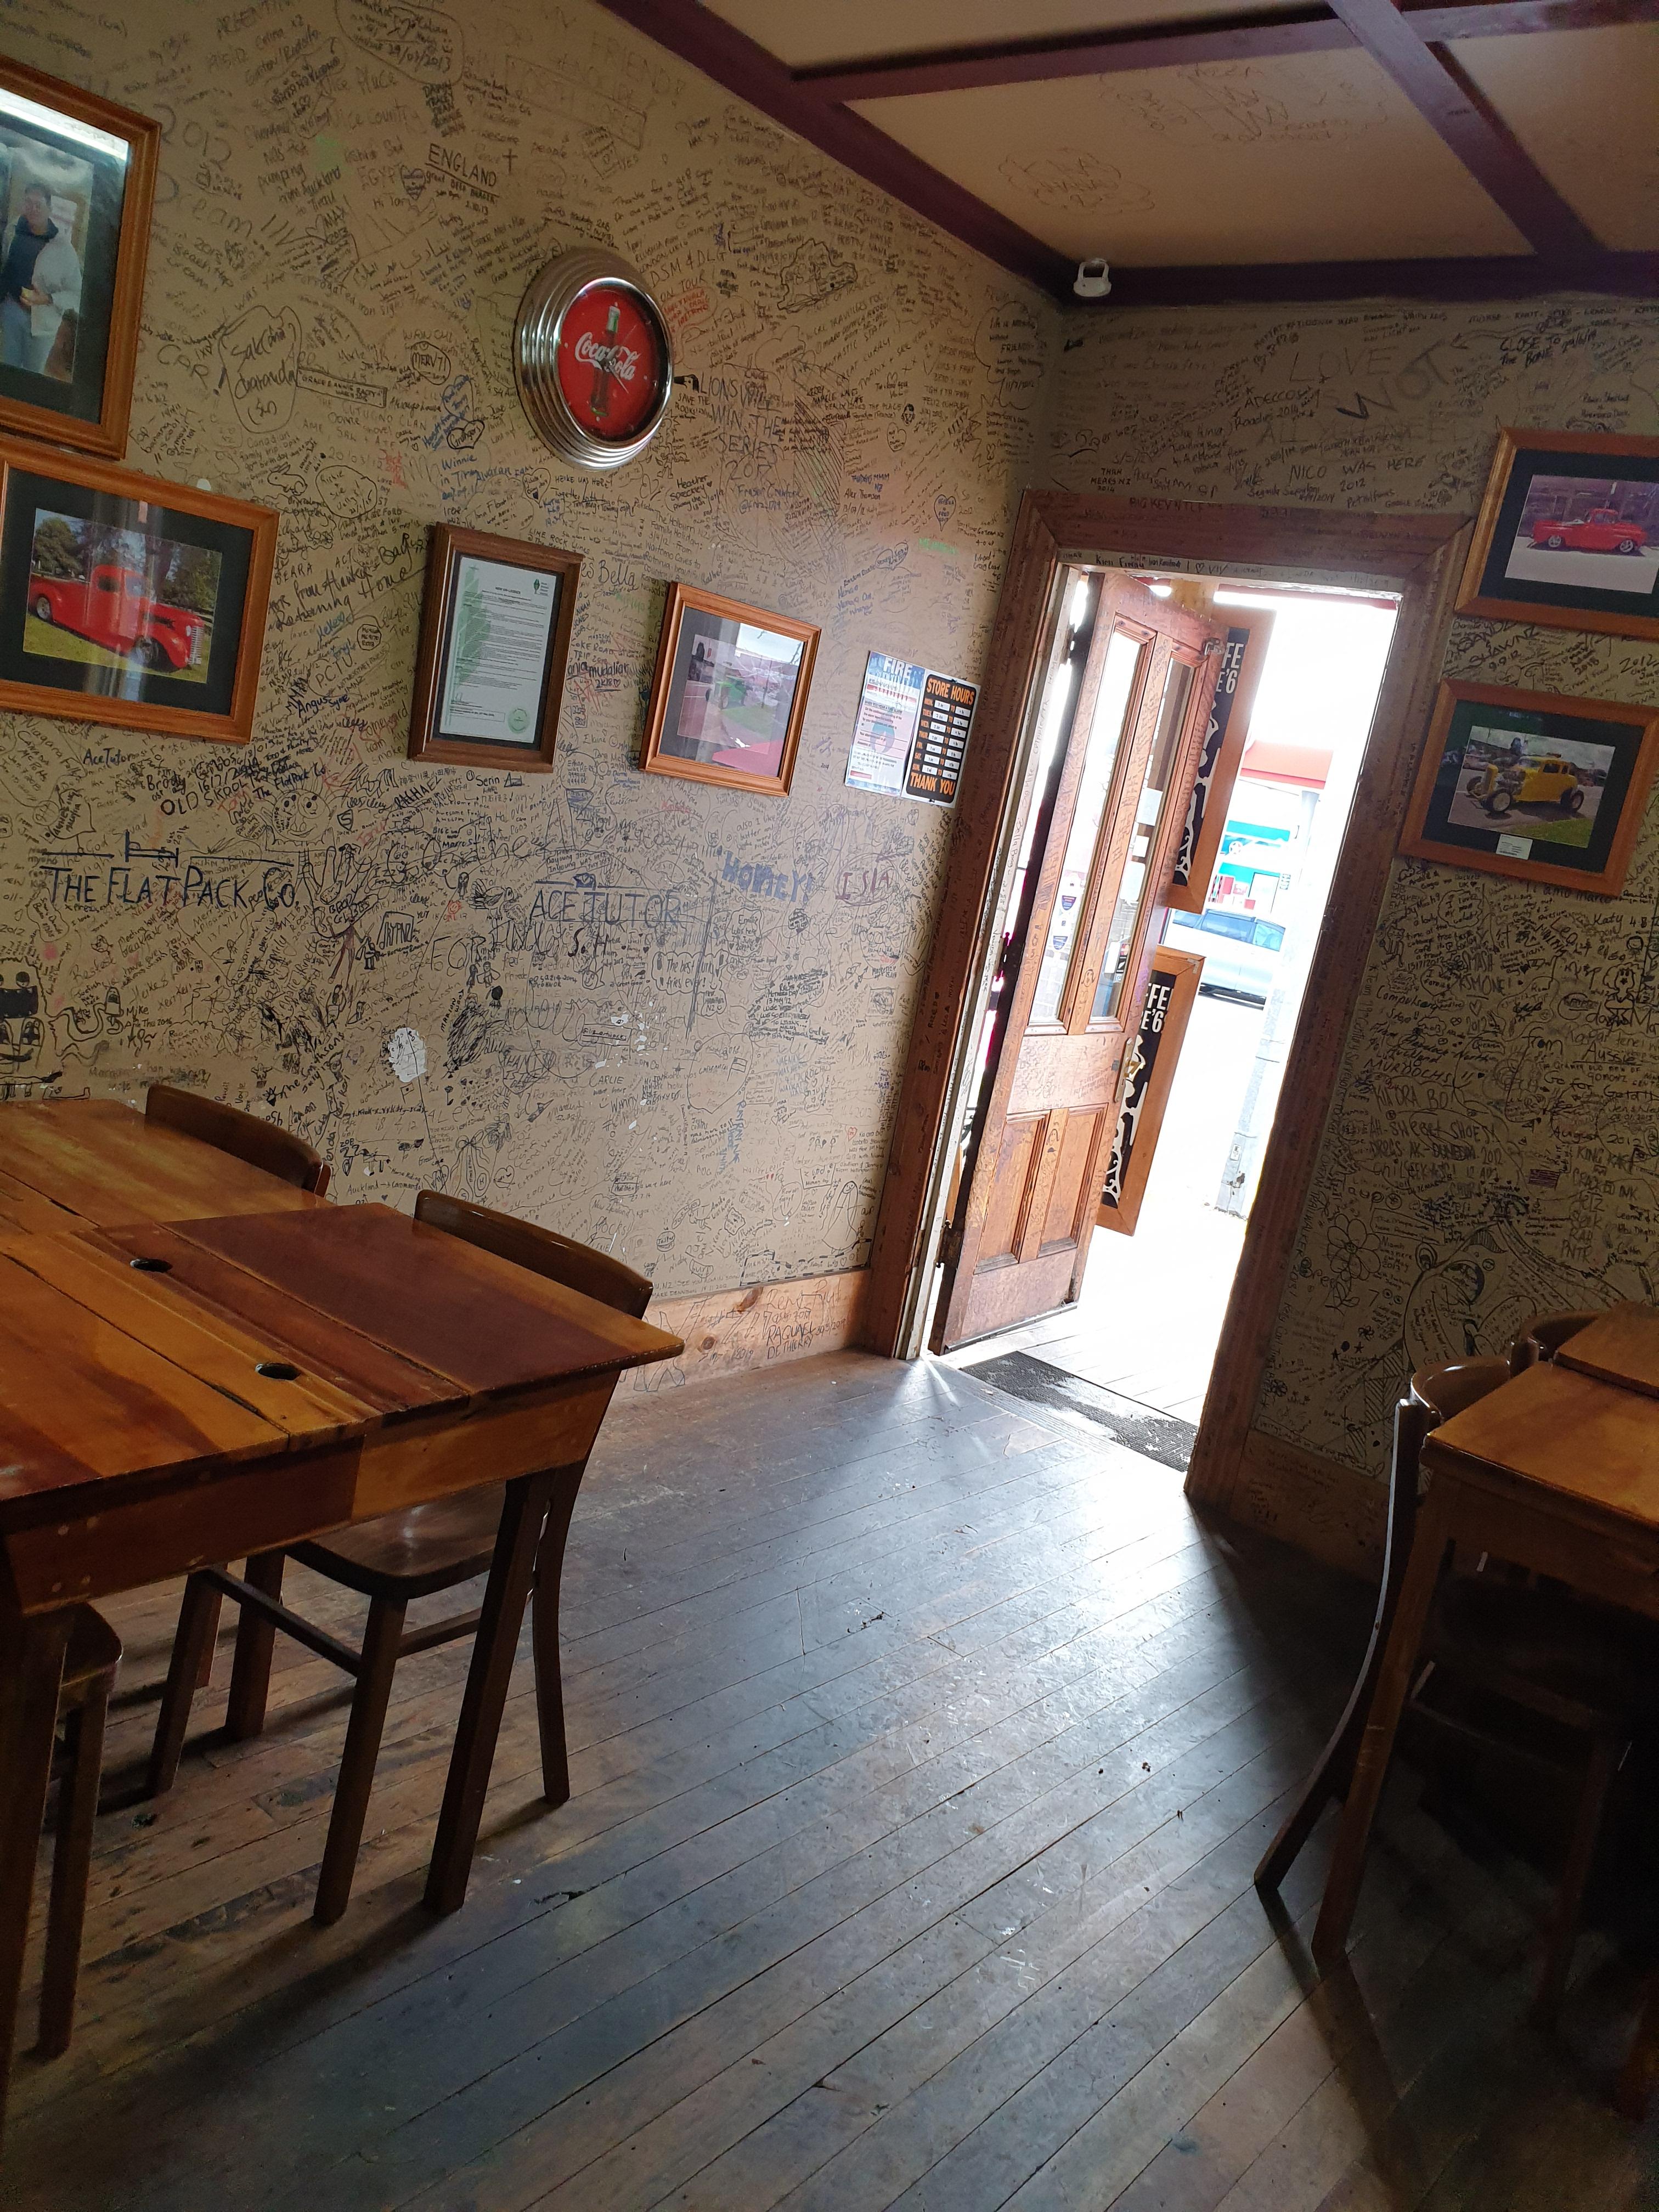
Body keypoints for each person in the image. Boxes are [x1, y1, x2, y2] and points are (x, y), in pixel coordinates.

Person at [0, 185, 81, 376]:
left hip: (43, 324)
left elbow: (77, 294)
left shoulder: (64, 250)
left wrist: (48, 299)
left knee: (32, 376)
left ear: (50, 209)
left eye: (39, 205)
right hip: (12, 312)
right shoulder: (13, 230)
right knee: (8, 370)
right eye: (28, 203)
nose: (33, 209)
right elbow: (6, 266)